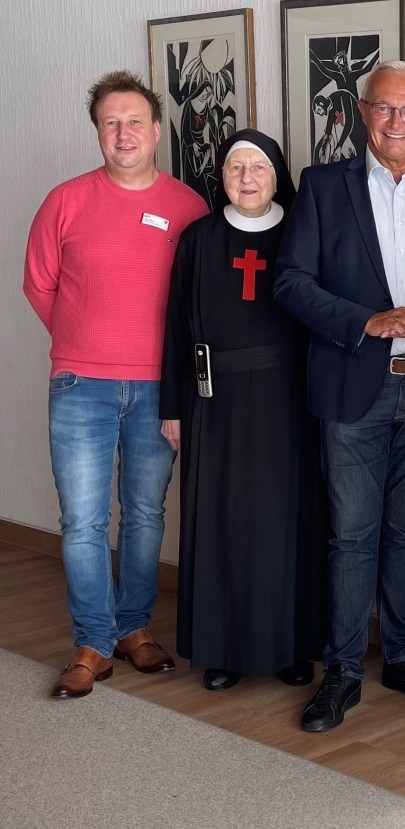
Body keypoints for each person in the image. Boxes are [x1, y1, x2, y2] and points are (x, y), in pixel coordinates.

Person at [275, 60, 405, 732]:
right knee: (352, 537)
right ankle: (341, 670)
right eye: (384, 108)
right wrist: (365, 321)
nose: (396, 122)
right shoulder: (321, 186)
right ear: (363, 112)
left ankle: (401, 655)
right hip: (351, 387)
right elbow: (290, 281)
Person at [23, 70, 208, 698]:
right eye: (111, 123)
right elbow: (39, 285)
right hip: (81, 386)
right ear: (98, 132)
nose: (123, 133)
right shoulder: (66, 201)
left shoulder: (188, 208)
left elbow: (196, 304)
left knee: (146, 515)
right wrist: (82, 340)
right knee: (81, 520)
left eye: (134, 122)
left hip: (159, 389)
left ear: (157, 131)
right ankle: (93, 641)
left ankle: (133, 629)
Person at [160, 129, 328, 693]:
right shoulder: (198, 238)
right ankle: (223, 649)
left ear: (277, 174)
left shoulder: (302, 232)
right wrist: (172, 407)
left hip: (289, 398)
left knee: (290, 522)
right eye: (236, 168)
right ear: (222, 177)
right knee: (222, 522)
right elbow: (176, 331)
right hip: (214, 400)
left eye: (258, 167)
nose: (247, 179)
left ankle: (292, 647)